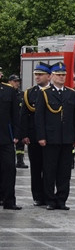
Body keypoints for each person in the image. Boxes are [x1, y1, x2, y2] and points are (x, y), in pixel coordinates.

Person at [34, 62, 75, 210]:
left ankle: (62, 199)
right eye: (59, 75)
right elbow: (39, 118)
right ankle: (50, 199)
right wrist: (41, 136)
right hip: (51, 138)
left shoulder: (71, 93)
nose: (61, 77)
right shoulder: (45, 93)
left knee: (65, 171)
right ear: (52, 76)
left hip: (67, 138)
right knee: (49, 170)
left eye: (63, 75)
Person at [21, 62, 50, 206]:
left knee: (50, 168)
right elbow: (24, 115)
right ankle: (38, 196)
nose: (37, 77)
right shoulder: (30, 93)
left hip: (51, 136)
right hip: (33, 136)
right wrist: (24, 134)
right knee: (36, 167)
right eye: (36, 75)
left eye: (40, 74)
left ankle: (49, 194)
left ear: (48, 76)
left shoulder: (53, 91)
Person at [0, 73, 20, 210]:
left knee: (9, 169)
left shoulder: (9, 90)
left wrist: (16, 134)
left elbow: (15, 115)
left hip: (5, 137)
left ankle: (9, 200)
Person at [6, 74, 26, 170]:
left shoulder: (21, 94)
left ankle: (20, 161)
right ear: (9, 82)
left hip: (20, 121)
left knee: (20, 143)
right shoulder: (6, 92)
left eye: (18, 81)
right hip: (9, 123)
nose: (17, 83)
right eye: (15, 81)